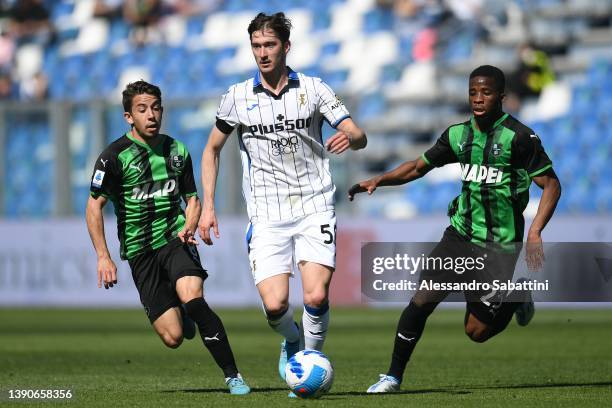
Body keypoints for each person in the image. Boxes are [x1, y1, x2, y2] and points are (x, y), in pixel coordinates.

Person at [348, 65, 561, 393]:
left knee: (476, 332)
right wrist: (380, 179)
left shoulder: (520, 138)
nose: (478, 99)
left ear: (501, 97)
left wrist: (534, 231)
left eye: (486, 92)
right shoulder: (457, 135)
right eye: (473, 92)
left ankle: (517, 296)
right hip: (460, 236)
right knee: (422, 299)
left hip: (499, 246)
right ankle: (392, 376)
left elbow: (551, 185)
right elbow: (418, 167)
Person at [198, 12, 367, 388]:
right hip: (266, 212)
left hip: (314, 204)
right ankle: (292, 341)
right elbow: (211, 150)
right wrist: (208, 205)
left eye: (269, 45)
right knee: (275, 306)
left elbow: (358, 133)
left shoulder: (313, 89)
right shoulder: (237, 97)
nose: (262, 53)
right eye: (256, 46)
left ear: (285, 47)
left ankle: (311, 362)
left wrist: (351, 138)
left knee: (316, 293)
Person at [85, 80, 250, 395]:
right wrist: (103, 256)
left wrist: (190, 223)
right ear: (128, 117)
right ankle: (183, 314)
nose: (151, 115)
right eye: (142, 109)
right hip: (138, 251)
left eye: (156, 108)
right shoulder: (113, 158)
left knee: (194, 298)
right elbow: (94, 207)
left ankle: (233, 375)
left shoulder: (177, 150)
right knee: (173, 337)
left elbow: (192, 198)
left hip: (175, 238)